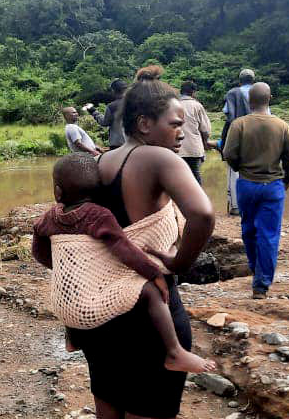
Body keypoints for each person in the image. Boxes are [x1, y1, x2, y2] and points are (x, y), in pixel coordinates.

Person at [76, 65, 215, 419]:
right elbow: (202, 214)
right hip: (150, 315)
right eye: (175, 123)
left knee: (109, 405)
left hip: (103, 309)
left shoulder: (102, 161)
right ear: (143, 124)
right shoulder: (159, 157)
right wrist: (179, 263)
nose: (182, 132)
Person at [32, 153, 216, 374]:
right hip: (90, 306)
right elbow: (124, 249)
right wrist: (153, 273)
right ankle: (174, 351)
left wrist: (61, 265)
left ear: (58, 191)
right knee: (151, 292)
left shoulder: (49, 217)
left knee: (73, 290)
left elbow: (39, 251)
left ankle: (72, 339)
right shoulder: (99, 216)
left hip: (63, 305)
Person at [222, 82, 289, 299]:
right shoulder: (282, 126)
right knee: (269, 234)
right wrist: (288, 179)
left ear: (248, 101)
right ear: (269, 98)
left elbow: (229, 153)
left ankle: (255, 268)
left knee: (248, 229)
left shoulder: (239, 124)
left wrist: (240, 168)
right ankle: (261, 285)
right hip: (272, 185)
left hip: (246, 184)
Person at [220, 69, 256, 215]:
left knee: (234, 170)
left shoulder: (233, 93)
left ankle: (236, 206)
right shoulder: (260, 92)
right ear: (253, 80)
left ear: (240, 80)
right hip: (256, 137)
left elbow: (228, 114)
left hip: (237, 135)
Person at [177, 80, 211, 184]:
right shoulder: (197, 106)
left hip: (177, 149)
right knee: (196, 178)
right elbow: (206, 129)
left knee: (179, 179)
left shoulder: (174, 105)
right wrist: (205, 141)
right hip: (194, 149)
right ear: (193, 92)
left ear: (181, 91)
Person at [85, 79, 128, 149]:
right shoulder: (136, 104)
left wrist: (93, 111)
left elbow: (105, 122)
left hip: (117, 144)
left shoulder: (112, 106)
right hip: (134, 143)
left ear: (113, 91)